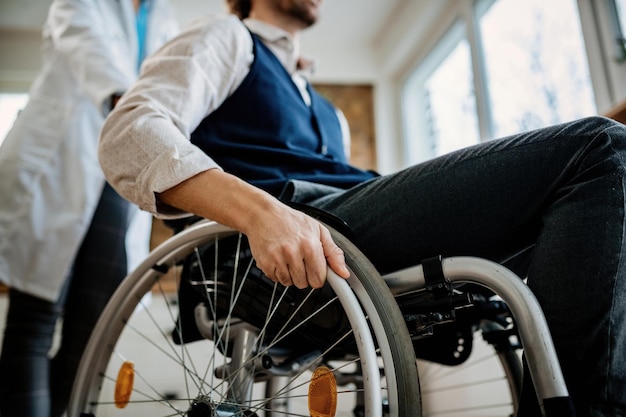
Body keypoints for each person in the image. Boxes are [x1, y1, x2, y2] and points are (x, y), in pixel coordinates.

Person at [98, 0, 626, 415]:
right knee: (601, 149)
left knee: (592, 189)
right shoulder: (225, 37)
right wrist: (262, 214)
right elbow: (129, 133)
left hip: (348, 222)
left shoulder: (328, 111)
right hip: (279, 244)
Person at [0, 1, 178, 416]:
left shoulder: (163, 15)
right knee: (35, 320)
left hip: (118, 180)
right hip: (61, 166)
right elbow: (87, 47)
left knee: (93, 332)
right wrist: (129, 102)